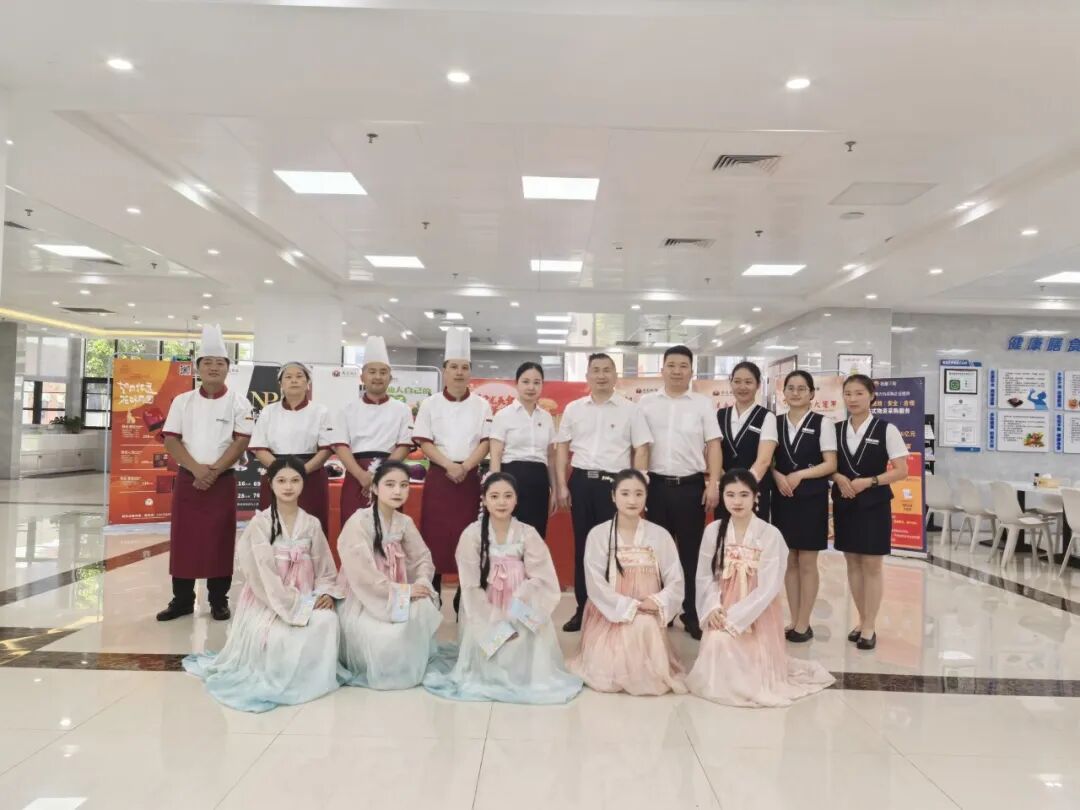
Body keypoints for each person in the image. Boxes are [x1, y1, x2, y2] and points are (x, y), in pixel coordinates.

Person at [182, 457, 341, 712]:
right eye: (281, 480)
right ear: (270, 484)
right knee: (278, 636)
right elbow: (260, 573)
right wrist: (289, 605)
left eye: (295, 480)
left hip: (306, 596)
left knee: (327, 621)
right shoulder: (261, 523)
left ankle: (310, 677)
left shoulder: (311, 523)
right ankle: (282, 678)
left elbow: (325, 566)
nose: (288, 486)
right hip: (267, 599)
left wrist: (326, 593)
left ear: (303, 484)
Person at [423, 473, 583, 704]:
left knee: (527, 642)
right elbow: (470, 585)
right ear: (484, 500)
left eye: (508, 496)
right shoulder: (471, 534)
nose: (501, 502)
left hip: (521, 605)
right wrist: (495, 619)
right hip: (485, 606)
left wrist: (518, 603)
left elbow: (543, 578)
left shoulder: (527, 533)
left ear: (516, 500)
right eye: (494, 496)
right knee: (491, 650)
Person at [686, 469, 835, 707]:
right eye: (730, 494)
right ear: (722, 497)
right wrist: (713, 608)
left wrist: (736, 618)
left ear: (756, 497)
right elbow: (705, 576)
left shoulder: (770, 534)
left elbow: (769, 587)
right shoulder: (713, 531)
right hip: (721, 608)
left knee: (736, 651)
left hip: (758, 614)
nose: (737, 501)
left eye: (744, 495)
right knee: (716, 641)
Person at [157, 324, 253, 622]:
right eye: (207, 362)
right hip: (189, 480)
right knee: (184, 540)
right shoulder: (182, 401)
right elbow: (171, 439)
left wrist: (214, 471)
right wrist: (197, 469)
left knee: (220, 541)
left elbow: (241, 441)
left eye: (220, 363)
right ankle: (182, 599)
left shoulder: (239, 402)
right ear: (198, 368)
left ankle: (218, 600)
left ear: (227, 368)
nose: (213, 368)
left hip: (222, 482)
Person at [555, 353, 652, 632]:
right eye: (595, 370)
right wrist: (562, 484)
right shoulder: (574, 409)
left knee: (614, 548)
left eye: (607, 370)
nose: (601, 375)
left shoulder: (630, 409)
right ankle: (583, 608)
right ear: (587, 375)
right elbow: (562, 447)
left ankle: (612, 609)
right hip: (581, 482)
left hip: (615, 486)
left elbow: (642, 448)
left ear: (615, 375)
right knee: (584, 547)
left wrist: (637, 488)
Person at [567, 469, 686, 696]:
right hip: (610, 612)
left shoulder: (660, 534)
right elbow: (594, 582)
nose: (632, 500)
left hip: (649, 609)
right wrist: (628, 606)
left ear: (646, 496)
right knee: (616, 658)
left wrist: (656, 601)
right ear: (613, 496)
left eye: (639, 494)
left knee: (645, 625)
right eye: (625, 493)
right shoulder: (599, 534)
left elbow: (675, 578)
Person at [637, 345, 722, 640]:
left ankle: (691, 613)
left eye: (683, 365)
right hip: (655, 487)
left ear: (691, 370)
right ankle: (661, 609)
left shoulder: (702, 404)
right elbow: (640, 447)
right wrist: (639, 487)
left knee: (690, 554)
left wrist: (713, 484)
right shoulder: (646, 403)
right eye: (671, 365)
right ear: (662, 369)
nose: (676, 371)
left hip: (690, 488)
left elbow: (713, 445)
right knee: (656, 555)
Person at [336, 461, 442, 689]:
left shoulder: (404, 522)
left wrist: (421, 582)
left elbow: (422, 558)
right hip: (365, 598)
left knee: (423, 607)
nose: (397, 491)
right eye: (390, 484)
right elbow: (362, 573)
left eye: (404, 485)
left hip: (399, 593)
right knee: (383, 639)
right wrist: (401, 591)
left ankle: (405, 663)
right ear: (374, 488)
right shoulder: (359, 521)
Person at [412, 326, 493, 603]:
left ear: (470, 372)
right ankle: (431, 595)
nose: (459, 372)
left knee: (468, 537)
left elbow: (486, 442)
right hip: (439, 477)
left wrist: (466, 467)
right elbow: (424, 441)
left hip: (468, 479)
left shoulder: (482, 405)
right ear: (444, 371)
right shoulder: (430, 404)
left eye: (465, 367)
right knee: (434, 537)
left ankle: (464, 598)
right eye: (454, 367)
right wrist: (449, 465)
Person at [832, 374, 910, 651]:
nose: (852, 399)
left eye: (859, 393)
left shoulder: (886, 429)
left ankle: (870, 625)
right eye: (848, 394)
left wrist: (870, 481)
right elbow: (828, 464)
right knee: (852, 562)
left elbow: (902, 470)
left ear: (872, 396)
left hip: (874, 505)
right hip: (845, 503)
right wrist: (838, 477)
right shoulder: (836, 429)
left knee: (872, 565)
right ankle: (861, 619)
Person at [771, 370, 837, 643]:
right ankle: (794, 618)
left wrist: (799, 475)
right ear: (783, 393)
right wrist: (777, 476)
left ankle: (804, 622)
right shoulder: (774, 422)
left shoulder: (823, 423)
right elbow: (768, 461)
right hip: (783, 498)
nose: (795, 393)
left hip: (812, 498)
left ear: (811, 393)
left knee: (807, 561)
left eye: (801, 388)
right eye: (791, 388)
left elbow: (830, 464)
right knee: (789, 561)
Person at [332, 335, 414, 526]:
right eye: (372, 372)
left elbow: (404, 446)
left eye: (383, 372)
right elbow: (341, 446)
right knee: (354, 528)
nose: (378, 377)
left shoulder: (402, 409)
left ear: (390, 378)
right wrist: (361, 476)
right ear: (362, 377)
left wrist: (380, 475)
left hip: (390, 475)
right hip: (356, 474)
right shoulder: (347, 409)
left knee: (389, 530)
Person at [248, 361, 335, 536]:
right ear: (280, 384)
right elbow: (259, 447)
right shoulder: (268, 411)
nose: (294, 380)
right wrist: (282, 472)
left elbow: (326, 449)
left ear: (307, 383)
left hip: (310, 474)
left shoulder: (321, 411)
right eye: (288, 377)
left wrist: (301, 471)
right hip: (276, 473)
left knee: (311, 529)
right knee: (273, 528)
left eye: (299, 376)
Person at [488, 362, 557, 538]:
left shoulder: (547, 417)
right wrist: (495, 489)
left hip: (539, 481)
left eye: (536, 382)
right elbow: (495, 455)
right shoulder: (503, 415)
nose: (531, 387)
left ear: (542, 385)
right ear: (516, 383)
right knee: (509, 534)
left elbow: (551, 457)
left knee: (536, 534)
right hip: (511, 478)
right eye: (526, 382)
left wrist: (554, 490)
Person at [715, 361, 777, 519]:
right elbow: (713, 454)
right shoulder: (720, 415)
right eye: (737, 381)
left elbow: (764, 461)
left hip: (754, 490)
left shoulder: (766, 417)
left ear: (758, 385)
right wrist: (727, 484)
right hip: (725, 491)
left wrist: (743, 488)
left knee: (753, 533)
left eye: (748, 382)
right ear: (731, 383)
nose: (742, 387)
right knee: (724, 531)